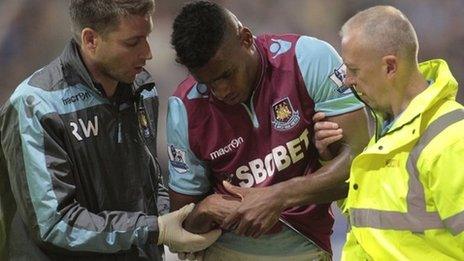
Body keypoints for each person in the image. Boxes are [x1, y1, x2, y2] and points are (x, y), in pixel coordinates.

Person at [0, 0, 221, 260]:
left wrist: (181, 220)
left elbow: (149, 187)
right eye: (132, 42)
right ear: (91, 40)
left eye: (147, 37)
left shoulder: (142, 87)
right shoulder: (35, 104)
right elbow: (55, 223)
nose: (147, 53)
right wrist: (156, 229)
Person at [167, 1, 370, 260]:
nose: (221, 91)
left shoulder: (308, 59)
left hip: (305, 247)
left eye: (227, 74)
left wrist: (278, 196)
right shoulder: (184, 108)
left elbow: (360, 164)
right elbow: (181, 232)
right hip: (224, 250)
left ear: (246, 39)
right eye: (208, 83)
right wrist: (205, 209)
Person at [314, 5, 464, 260]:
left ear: (390, 67)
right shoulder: (390, 129)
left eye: (354, 70)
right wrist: (332, 156)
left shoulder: (451, 141)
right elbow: (369, 222)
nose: (348, 80)